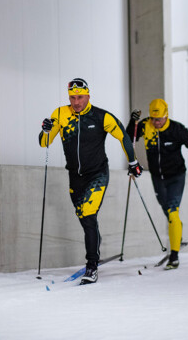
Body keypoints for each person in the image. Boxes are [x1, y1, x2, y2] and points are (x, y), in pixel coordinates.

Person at [39, 77, 142, 285]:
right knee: (85, 219)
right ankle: (95, 243)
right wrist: (45, 130)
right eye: (72, 98)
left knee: (88, 213)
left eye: (80, 97)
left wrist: (133, 162)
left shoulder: (101, 116)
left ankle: (92, 266)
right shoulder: (60, 114)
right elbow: (44, 143)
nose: (76, 102)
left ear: (88, 96)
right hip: (74, 177)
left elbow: (123, 136)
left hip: (97, 175)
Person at [126, 98, 188, 270]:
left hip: (176, 176)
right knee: (167, 210)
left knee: (173, 212)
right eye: (153, 119)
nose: (156, 122)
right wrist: (132, 123)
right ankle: (177, 232)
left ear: (166, 116)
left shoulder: (176, 129)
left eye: (159, 119)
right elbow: (128, 139)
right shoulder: (146, 125)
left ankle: (174, 256)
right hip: (157, 177)